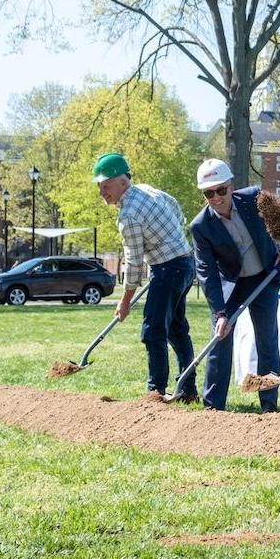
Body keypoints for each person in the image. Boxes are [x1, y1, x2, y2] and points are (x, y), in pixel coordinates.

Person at [93, 152, 197, 400]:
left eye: (106, 186)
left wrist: (125, 300)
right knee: (176, 329)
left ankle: (156, 390)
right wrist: (170, 237)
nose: (102, 192)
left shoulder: (128, 215)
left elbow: (134, 263)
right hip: (185, 262)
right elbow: (175, 207)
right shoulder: (147, 190)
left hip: (168, 269)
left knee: (153, 331)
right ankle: (188, 390)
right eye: (99, 187)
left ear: (122, 182)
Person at [189, 158, 280, 412]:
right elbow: (206, 271)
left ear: (231, 186)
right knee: (220, 338)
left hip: (263, 278)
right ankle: (213, 406)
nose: (217, 197)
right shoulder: (200, 226)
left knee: (267, 339)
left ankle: (269, 405)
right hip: (230, 286)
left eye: (221, 190)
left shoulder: (254, 198)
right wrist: (220, 313)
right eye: (209, 193)